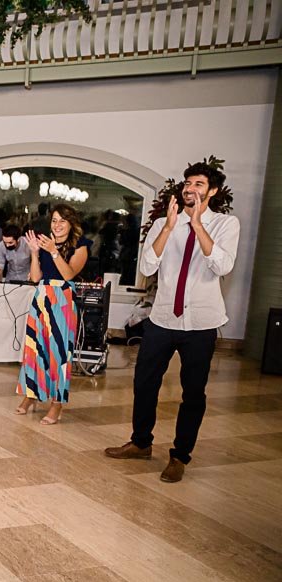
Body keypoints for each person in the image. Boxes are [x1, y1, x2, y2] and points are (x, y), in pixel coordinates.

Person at [104, 163, 240, 483]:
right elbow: (149, 266)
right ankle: (140, 443)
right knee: (144, 382)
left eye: (199, 183)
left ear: (213, 190)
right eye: (188, 182)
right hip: (163, 317)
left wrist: (197, 226)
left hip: (201, 322)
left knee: (193, 392)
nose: (191, 187)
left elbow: (222, 265)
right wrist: (168, 227)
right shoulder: (165, 223)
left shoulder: (225, 224)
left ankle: (179, 456)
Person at [15, 204, 92, 425]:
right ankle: (31, 394)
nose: (57, 225)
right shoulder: (45, 243)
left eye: (62, 221)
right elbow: (35, 277)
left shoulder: (81, 246)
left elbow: (69, 274)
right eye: (54, 221)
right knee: (34, 349)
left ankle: (56, 404)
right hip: (41, 296)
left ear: (71, 224)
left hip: (63, 299)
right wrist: (35, 253)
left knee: (59, 354)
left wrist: (53, 251)